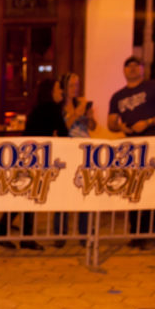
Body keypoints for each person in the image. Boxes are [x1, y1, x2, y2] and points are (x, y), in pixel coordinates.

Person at [107, 55, 155, 248]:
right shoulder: (118, 96)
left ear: (143, 69)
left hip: (154, 144)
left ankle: (150, 235)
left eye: (137, 65)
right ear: (124, 71)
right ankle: (136, 234)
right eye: (128, 66)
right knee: (134, 190)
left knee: (153, 189)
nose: (133, 69)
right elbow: (111, 122)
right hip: (132, 149)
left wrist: (148, 122)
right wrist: (121, 128)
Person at [0, 78, 65, 250]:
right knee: (28, 197)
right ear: (50, 92)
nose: (61, 92)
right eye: (58, 88)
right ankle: (14, 234)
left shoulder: (37, 109)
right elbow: (64, 131)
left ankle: (10, 233)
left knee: (24, 197)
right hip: (36, 158)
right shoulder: (51, 109)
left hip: (27, 156)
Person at [60, 70, 96, 242]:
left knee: (84, 191)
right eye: (71, 85)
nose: (75, 88)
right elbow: (62, 127)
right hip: (67, 150)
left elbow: (92, 126)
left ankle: (84, 233)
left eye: (77, 85)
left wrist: (88, 116)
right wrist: (76, 114)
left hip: (84, 150)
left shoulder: (82, 103)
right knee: (64, 193)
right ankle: (60, 233)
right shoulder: (60, 106)